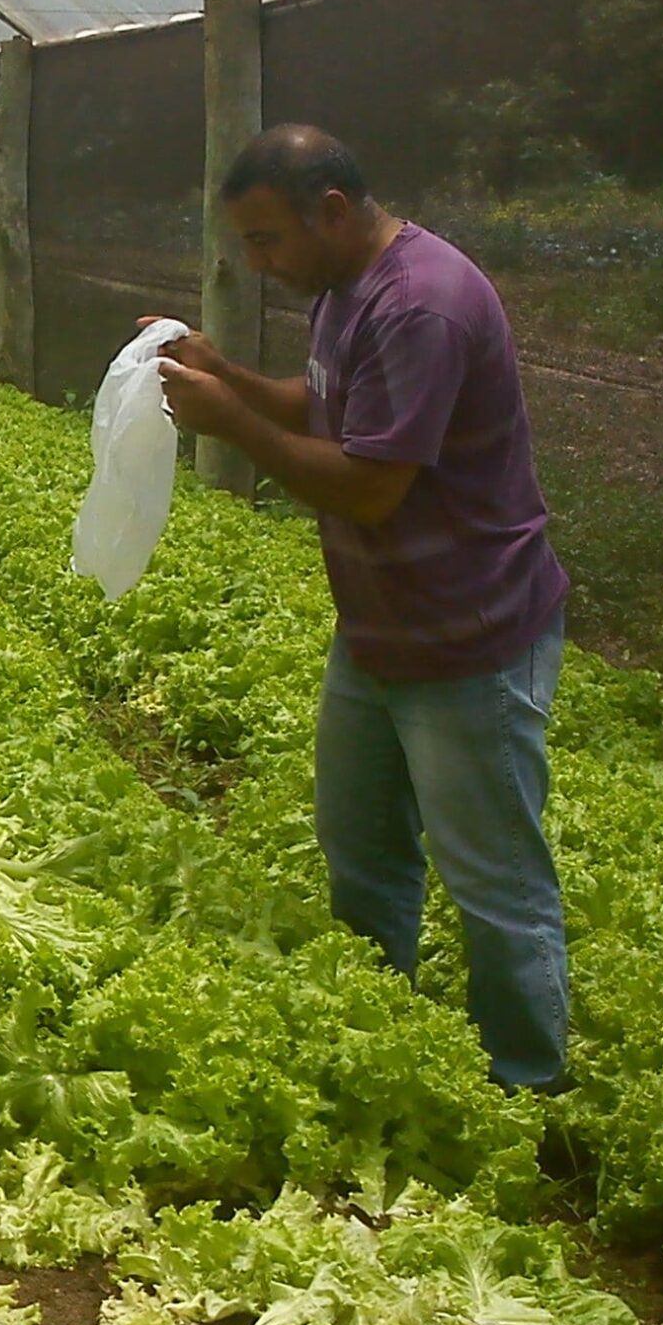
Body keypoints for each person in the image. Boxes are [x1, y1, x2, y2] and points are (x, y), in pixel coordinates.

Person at [150, 123, 571, 1093]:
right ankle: (381, 1037)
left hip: (469, 638)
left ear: (329, 212)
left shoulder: (420, 303)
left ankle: (525, 1088)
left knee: (495, 881)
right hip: (381, 630)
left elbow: (370, 484)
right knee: (363, 849)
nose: (257, 264)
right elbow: (327, 403)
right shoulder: (346, 289)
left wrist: (231, 425)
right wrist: (224, 373)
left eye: (265, 241)